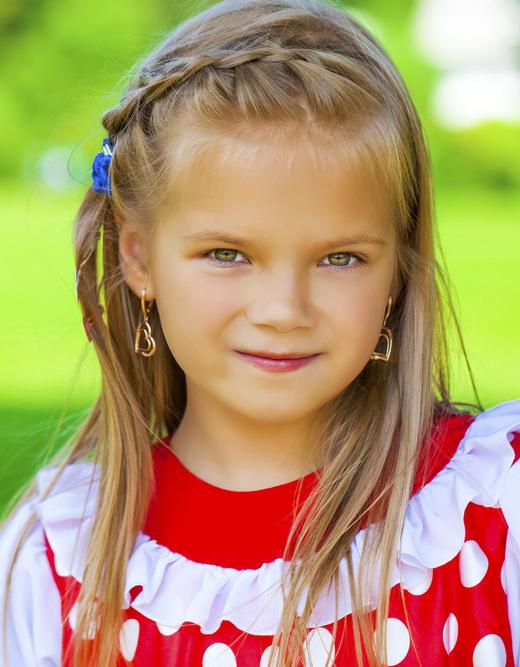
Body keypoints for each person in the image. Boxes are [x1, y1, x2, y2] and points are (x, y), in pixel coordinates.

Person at [1, 0, 519, 665]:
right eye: (228, 254)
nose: (283, 309)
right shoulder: (62, 555)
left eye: (340, 258)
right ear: (137, 256)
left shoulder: (489, 504)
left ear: (396, 269)